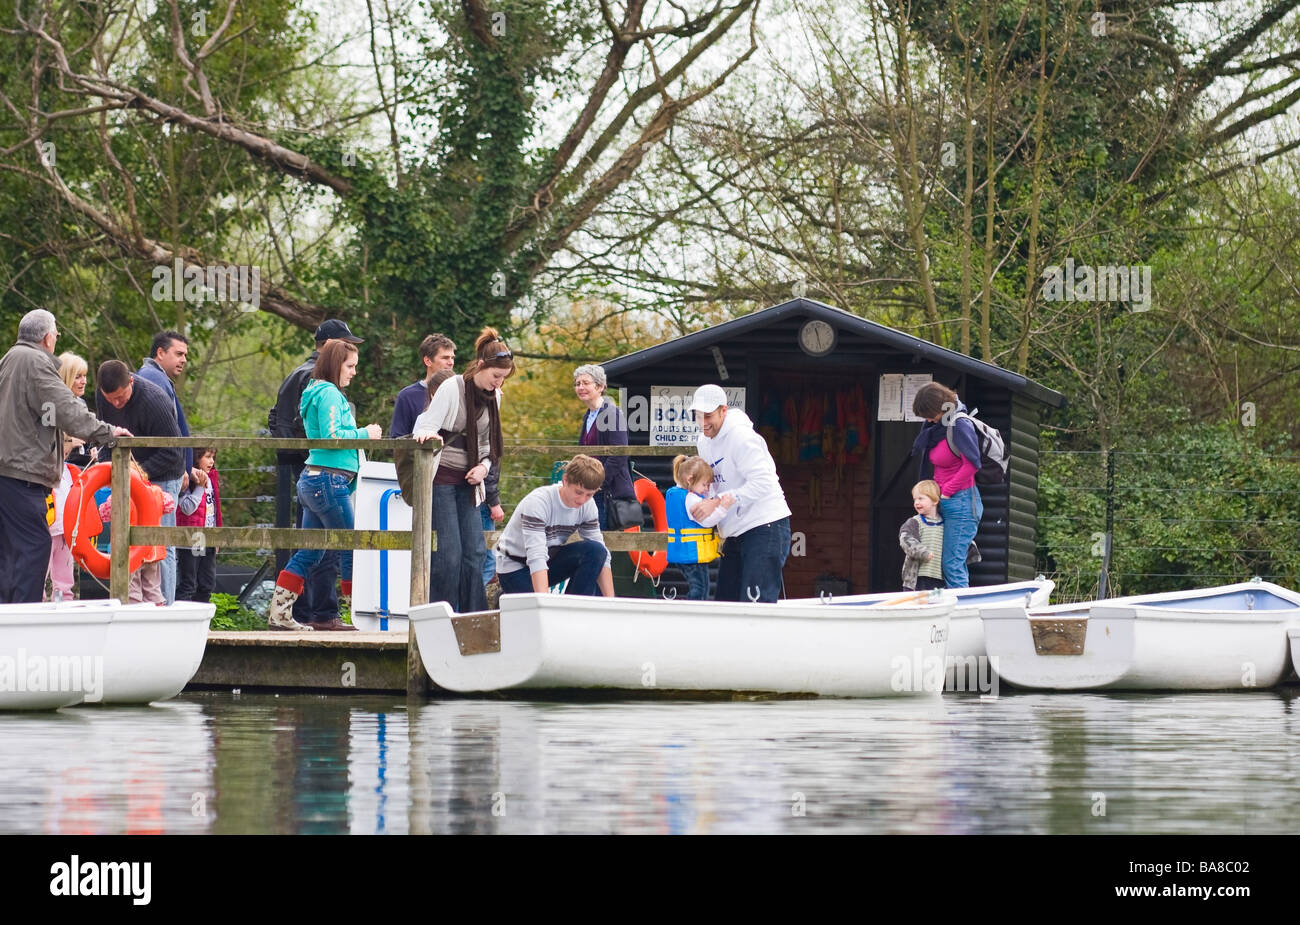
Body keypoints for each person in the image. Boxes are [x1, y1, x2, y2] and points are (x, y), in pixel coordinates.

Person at [0, 310, 129, 603]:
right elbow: (65, 408)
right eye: (56, 334)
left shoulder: (9, 359)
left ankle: (7, 625)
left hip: (7, 471)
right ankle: (23, 619)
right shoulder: (36, 362)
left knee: (10, 552)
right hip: (22, 473)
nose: (57, 339)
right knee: (34, 545)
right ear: (47, 338)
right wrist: (106, 431)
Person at [269, 339, 382, 631]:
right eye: (350, 366)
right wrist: (365, 432)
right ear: (335, 365)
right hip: (329, 481)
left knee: (311, 551)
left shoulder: (313, 391)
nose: (354, 372)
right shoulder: (330, 393)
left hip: (314, 478)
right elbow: (333, 435)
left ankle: (279, 614)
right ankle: (359, 614)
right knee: (351, 544)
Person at [412, 328, 512, 612]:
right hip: (441, 479)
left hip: (470, 483)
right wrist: (430, 437)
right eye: (495, 377)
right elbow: (425, 425)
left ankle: (473, 617)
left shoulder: (495, 398)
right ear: (481, 366)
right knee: (450, 555)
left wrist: (483, 466)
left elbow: (488, 444)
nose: (498, 384)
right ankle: (442, 616)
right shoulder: (452, 387)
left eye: (503, 379)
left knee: (475, 552)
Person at [690, 384, 792, 602]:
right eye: (699, 416)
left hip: (765, 524)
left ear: (723, 411)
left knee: (755, 600)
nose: (704, 423)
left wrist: (718, 502)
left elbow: (764, 481)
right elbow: (712, 484)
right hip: (735, 531)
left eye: (708, 416)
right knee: (727, 602)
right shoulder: (703, 441)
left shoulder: (742, 437)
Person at [137, 330, 205, 604]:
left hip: (168, 471)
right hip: (163, 474)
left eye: (186, 355)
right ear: (160, 353)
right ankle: (165, 606)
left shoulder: (156, 378)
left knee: (160, 542)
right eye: (178, 354)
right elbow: (170, 434)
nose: (184, 360)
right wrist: (180, 468)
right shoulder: (153, 379)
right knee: (164, 544)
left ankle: (159, 603)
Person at [494, 454, 615, 597]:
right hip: (515, 567)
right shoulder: (538, 502)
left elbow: (603, 556)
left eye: (589, 495)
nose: (583, 500)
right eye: (578, 492)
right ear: (565, 480)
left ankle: (575, 609)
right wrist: (545, 605)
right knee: (535, 615)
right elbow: (536, 555)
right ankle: (509, 596)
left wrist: (611, 600)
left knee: (596, 550)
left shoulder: (588, 506)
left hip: (548, 562)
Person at [910, 382, 984, 588]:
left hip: (961, 502)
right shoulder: (937, 428)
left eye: (928, 414)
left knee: (952, 564)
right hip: (944, 501)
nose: (926, 420)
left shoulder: (959, 425)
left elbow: (973, 464)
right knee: (942, 565)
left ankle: (962, 612)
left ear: (938, 408)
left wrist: (947, 492)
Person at [97, 456, 175, 604]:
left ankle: (134, 617)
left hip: (130, 554)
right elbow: (169, 504)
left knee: (132, 591)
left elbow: (103, 514)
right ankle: (157, 616)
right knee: (153, 589)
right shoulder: (155, 493)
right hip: (152, 551)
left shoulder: (117, 498)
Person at [95, 361, 185, 486]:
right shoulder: (101, 394)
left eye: (120, 397)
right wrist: (108, 467)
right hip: (126, 473)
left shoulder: (154, 401)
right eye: (109, 399)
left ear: (131, 381)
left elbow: (174, 450)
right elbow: (105, 436)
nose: (115, 403)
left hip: (163, 478)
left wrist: (139, 471)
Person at [574, 364, 635, 529]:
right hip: (589, 490)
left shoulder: (611, 414)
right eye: (578, 383)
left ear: (600, 386)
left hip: (605, 492)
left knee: (599, 543)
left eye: (585, 383)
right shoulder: (588, 416)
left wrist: (599, 482)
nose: (580, 387)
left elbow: (620, 453)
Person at [666, 455, 731, 601]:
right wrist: (723, 508)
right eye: (704, 484)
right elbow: (706, 521)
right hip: (691, 553)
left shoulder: (676, 493)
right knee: (700, 588)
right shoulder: (691, 498)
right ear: (689, 480)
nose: (707, 489)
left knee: (698, 586)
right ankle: (692, 616)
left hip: (684, 552)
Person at [176, 447, 222, 603]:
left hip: (208, 537)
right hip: (194, 537)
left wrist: (217, 537)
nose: (212, 461)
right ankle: (183, 621)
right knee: (189, 583)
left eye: (213, 457)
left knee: (207, 584)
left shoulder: (212, 478)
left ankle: (201, 620)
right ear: (196, 458)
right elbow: (187, 508)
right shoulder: (187, 479)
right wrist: (200, 486)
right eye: (207, 457)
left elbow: (216, 510)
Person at [390, 334, 456, 437]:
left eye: (452, 358)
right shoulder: (407, 396)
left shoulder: (461, 391)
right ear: (428, 361)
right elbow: (397, 439)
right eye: (445, 358)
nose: (451, 362)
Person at [45, 433, 83, 601]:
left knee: (64, 577)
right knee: (39, 573)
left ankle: (64, 603)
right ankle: (36, 605)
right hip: (45, 531)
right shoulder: (42, 470)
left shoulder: (70, 471)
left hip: (65, 532)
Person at [900, 480, 946, 591]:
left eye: (921, 498)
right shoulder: (915, 522)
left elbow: (958, 539)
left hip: (940, 579)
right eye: (915, 499)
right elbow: (905, 540)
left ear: (935, 500)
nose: (916, 502)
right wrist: (923, 552)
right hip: (917, 580)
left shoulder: (946, 524)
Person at [58, 352, 97, 468]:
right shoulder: (51, 406)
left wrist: (93, 450)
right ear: (66, 377)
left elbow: (88, 439)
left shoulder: (81, 403)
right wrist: (69, 442)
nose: (84, 381)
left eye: (84, 376)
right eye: (78, 377)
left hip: (81, 469)